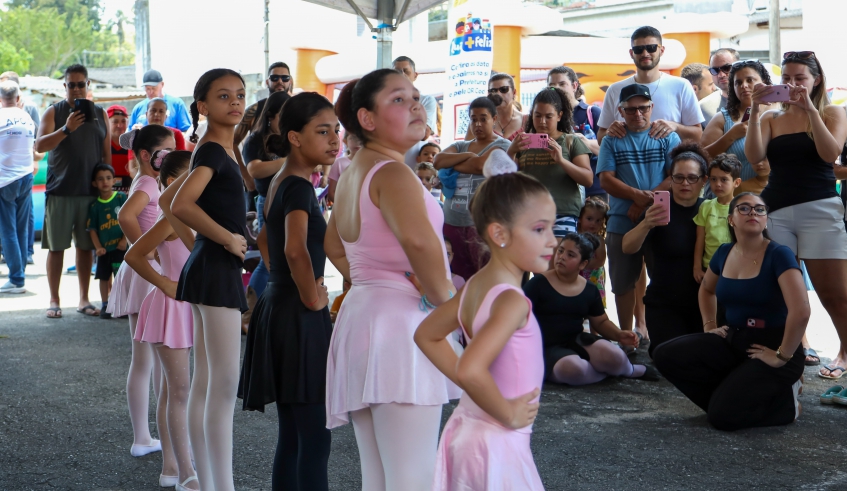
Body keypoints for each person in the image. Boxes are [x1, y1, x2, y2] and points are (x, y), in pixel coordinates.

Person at [326, 69, 457, 491]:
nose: (416, 105)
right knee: (411, 477)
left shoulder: (354, 171)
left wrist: (375, 278)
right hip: (399, 327)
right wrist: (451, 307)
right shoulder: (392, 173)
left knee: (381, 476)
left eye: (416, 97)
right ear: (367, 118)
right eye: (399, 99)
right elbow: (420, 244)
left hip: (365, 316)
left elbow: (333, 244)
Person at [414, 153, 551, 490]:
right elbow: (470, 369)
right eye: (539, 229)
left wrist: (479, 393)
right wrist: (506, 412)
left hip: (469, 428)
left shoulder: (475, 285)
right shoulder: (511, 301)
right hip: (497, 442)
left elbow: (427, 335)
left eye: (551, 226)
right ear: (499, 233)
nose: (552, 240)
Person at [239, 92, 338, 491]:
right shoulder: (296, 186)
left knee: (295, 434)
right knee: (314, 436)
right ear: (295, 137)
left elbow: (265, 238)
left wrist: (283, 280)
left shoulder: (282, 180)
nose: (334, 139)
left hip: (279, 306)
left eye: (336, 130)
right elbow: (294, 249)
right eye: (322, 131)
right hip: (298, 313)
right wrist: (312, 296)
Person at [653, 193, 808, 431]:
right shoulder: (724, 252)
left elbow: (801, 311)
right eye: (744, 208)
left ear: (766, 219)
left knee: (722, 418)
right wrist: (709, 326)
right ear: (731, 219)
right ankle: (731, 399)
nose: (753, 212)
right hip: (734, 339)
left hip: (772, 346)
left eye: (759, 209)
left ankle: (787, 403)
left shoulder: (779, 254)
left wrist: (782, 356)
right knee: (664, 354)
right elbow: (706, 290)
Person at [745, 51, 847, 380]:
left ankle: (844, 353)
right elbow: (754, 156)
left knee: (835, 294)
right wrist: (755, 109)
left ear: (816, 80)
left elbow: (830, 154)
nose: (792, 84)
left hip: (820, 208)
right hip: (776, 210)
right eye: (786, 78)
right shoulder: (771, 117)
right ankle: (791, 356)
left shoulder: (832, 112)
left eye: (800, 78)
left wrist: (810, 110)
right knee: (785, 293)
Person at [170, 69, 249, 491]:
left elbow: (169, 199)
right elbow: (181, 204)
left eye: (239, 94)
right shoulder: (214, 151)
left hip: (209, 267)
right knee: (222, 385)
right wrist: (226, 238)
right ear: (202, 106)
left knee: (207, 383)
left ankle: (208, 481)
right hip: (215, 270)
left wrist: (206, 241)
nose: (235, 102)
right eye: (223, 96)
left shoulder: (216, 149)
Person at [124, 150, 197, 491]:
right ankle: (184, 471)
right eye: (190, 176)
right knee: (179, 390)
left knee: (174, 390)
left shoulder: (196, 214)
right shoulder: (170, 219)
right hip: (170, 308)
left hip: (189, 308)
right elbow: (134, 254)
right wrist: (166, 283)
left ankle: (172, 466)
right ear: (171, 182)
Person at [108, 124, 175, 458]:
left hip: (140, 273)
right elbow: (125, 215)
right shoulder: (149, 182)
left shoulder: (143, 178)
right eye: (167, 152)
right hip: (148, 273)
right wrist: (145, 250)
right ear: (148, 155)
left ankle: (144, 437)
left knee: (145, 360)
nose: (173, 157)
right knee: (162, 361)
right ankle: (162, 437)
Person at [596, 83, 678, 341]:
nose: (638, 113)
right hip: (621, 219)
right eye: (631, 109)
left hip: (661, 220)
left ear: (651, 107)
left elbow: (676, 177)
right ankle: (626, 338)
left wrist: (642, 202)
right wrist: (636, 196)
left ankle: (662, 336)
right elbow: (605, 180)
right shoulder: (612, 139)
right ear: (621, 111)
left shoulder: (667, 137)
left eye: (643, 108)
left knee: (663, 281)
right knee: (622, 283)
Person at [524, 232, 658, 385]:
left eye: (570, 255)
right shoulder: (538, 284)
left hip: (575, 340)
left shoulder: (589, 289)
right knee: (573, 369)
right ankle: (608, 373)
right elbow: (517, 317)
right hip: (543, 345)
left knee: (614, 355)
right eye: (560, 251)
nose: (561, 257)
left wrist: (618, 334)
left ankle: (630, 370)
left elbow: (600, 321)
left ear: (583, 264)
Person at [35, 64, 111, 318]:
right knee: (56, 248)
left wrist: (107, 187)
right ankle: (54, 300)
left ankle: (84, 299)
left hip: (90, 193)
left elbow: (106, 154)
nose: (76, 89)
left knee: (86, 248)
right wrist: (66, 129)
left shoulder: (100, 113)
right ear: (64, 86)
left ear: (88, 85)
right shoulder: (53, 111)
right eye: (71, 85)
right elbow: (39, 146)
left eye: (81, 84)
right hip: (60, 190)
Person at [621, 142, 707, 355]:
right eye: (678, 177)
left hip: (704, 303)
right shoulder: (658, 210)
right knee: (669, 356)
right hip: (664, 303)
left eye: (692, 178)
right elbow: (627, 247)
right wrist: (646, 224)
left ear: (703, 180)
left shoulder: (711, 211)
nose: (685, 183)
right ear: (671, 179)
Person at [435, 96, 511, 279]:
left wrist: (453, 163)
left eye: (483, 119)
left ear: (494, 119)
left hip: (481, 225)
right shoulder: (461, 146)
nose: (477, 124)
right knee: (458, 279)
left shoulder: (503, 145)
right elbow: (438, 161)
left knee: (486, 277)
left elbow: (480, 166)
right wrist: (468, 155)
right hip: (452, 222)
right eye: (473, 119)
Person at [598, 26, 704, 144]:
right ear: (631, 53)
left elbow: (698, 135)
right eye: (639, 49)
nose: (645, 53)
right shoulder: (615, 90)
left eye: (651, 48)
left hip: (671, 156)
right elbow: (600, 137)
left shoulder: (681, 86)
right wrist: (611, 131)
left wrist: (675, 126)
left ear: (661, 50)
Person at [511, 87, 593, 237]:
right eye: (537, 116)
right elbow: (506, 178)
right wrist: (511, 151)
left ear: (559, 116)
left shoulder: (570, 141)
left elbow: (588, 179)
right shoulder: (523, 143)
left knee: (560, 253)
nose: (542, 122)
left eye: (548, 116)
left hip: (562, 214)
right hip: (529, 215)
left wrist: (561, 161)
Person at [243, 91, 292, 301]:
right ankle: (253, 307)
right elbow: (254, 170)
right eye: (284, 115)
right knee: (269, 259)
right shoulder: (255, 140)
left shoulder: (291, 136)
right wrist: (289, 161)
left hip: (291, 200)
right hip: (269, 202)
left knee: (288, 256)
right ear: (270, 116)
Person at [702, 60, 772, 196]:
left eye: (750, 80)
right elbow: (700, 159)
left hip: (769, 198)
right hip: (727, 200)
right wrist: (731, 135)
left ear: (763, 81)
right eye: (738, 83)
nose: (744, 86)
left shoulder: (778, 113)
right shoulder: (723, 118)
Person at [548, 66, 604, 201]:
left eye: (562, 84)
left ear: (574, 86)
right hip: (562, 191)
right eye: (552, 86)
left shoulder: (593, 113)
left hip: (594, 190)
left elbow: (610, 150)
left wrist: (585, 143)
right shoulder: (548, 118)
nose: (557, 89)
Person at [0, 80, 35, 294]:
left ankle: (16, 279)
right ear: (18, 98)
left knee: (8, 230)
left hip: (5, 180)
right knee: (21, 229)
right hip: (26, 177)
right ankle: (19, 274)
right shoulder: (27, 117)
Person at [86, 163, 127, 318]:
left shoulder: (121, 198)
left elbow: (129, 220)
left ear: (114, 180)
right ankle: (105, 304)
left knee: (121, 276)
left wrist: (124, 240)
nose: (105, 182)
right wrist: (98, 247)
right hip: (104, 251)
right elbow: (92, 229)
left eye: (108, 178)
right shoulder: (95, 206)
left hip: (120, 248)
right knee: (103, 277)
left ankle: (122, 305)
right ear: (94, 183)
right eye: (100, 179)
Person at [693, 154, 741, 284]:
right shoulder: (706, 206)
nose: (718, 184)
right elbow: (700, 239)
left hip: (735, 267)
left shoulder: (741, 209)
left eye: (724, 180)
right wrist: (697, 267)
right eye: (713, 179)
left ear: (736, 182)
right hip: (709, 267)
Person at [393, 56, 438, 140]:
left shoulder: (426, 100)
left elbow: (424, 133)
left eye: (406, 72)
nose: (402, 75)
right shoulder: (385, 100)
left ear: (415, 75)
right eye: (397, 72)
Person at [577, 197, 609, 307]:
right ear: (580, 218)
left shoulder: (598, 239)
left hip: (593, 278)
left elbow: (600, 260)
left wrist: (579, 264)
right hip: (576, 277)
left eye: (598, 220)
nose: (593, 223)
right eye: (589, 219)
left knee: (593, 306)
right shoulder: (574, 236)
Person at [700, 48, 741, 124]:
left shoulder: (757, 102)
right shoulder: (702, 107)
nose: (721, 75)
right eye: (715, 70)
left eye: (727, 68)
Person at [326, 131, 362, 203]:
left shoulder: (373, 163)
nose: (358, 142)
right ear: (345, 141)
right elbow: (331, 192)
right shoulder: (339, 163)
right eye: (353, 138)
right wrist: (344, 206)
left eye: (362, 138)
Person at [488, 73, 525, 141]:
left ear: (514, 92)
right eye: (493, 91)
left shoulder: (526, 121)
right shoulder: (481, 121)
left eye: (504, 89)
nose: (498, 94)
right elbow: (469, 146)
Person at [106, 105, 132, 191]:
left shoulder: (132, 145)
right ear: (106, 123)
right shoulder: (102, 146)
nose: (119, 125)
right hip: (107, 193)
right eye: (115, 121)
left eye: (123, 121)